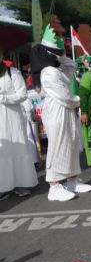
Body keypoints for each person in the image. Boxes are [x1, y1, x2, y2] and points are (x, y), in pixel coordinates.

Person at [34, 25, 91, 201]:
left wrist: (62, 57)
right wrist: (81, 100)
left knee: (72, 144)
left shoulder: (57, 68)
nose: (61, 53)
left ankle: (72, 181)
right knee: (58, 146)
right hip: (57, 112)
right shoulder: (48, 73)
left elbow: (72, 66)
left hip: (67, 111)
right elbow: (65, 97)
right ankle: (54, 186)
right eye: (58, 51)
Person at [0, 58, 38, 199]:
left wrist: (3, 98)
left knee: (17, 148)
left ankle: (21, 183)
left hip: (13, 117)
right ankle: (3, 185)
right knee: (2, 150)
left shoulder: (12, 72)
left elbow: (22, 94)